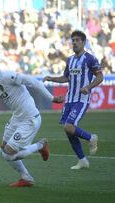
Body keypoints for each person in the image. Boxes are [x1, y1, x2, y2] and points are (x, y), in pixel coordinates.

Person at [0, 54, 64, 187]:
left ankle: (40, 145)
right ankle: (26, 177)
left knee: (9, 154)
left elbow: (32, 81)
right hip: (17, 118)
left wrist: (52, 98)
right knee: (3, 150)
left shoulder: (7, 76)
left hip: (30, 119)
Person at [43, 30, 103, 170]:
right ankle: (82, 160)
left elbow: (100, 77)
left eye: (77, 40)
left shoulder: (90, 59)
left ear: (83, 42)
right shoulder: (70, 60)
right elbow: (66, 78)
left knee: (69, 126)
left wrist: (88, 87)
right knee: (68, 131)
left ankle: (91, 137)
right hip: (69, 99)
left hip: (81, 99)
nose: (74, 42)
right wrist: (52, 78)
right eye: (73, 40)